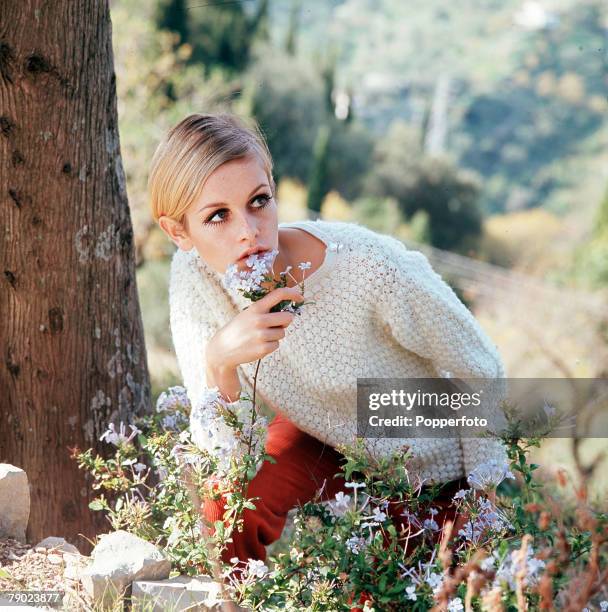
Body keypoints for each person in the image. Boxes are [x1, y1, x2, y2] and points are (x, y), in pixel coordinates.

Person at [149, 112, 507, 576]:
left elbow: (481, 367)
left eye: (259, 201)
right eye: (217, 215)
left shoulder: (370, 268)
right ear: (179, 233)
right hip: (316, 438)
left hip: (420, 456)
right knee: (228, 505)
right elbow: (222, 461)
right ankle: (235, 605)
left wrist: (481, 500)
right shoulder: (194, 278)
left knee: (391, 592)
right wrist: (219, 362)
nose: (247, 230)